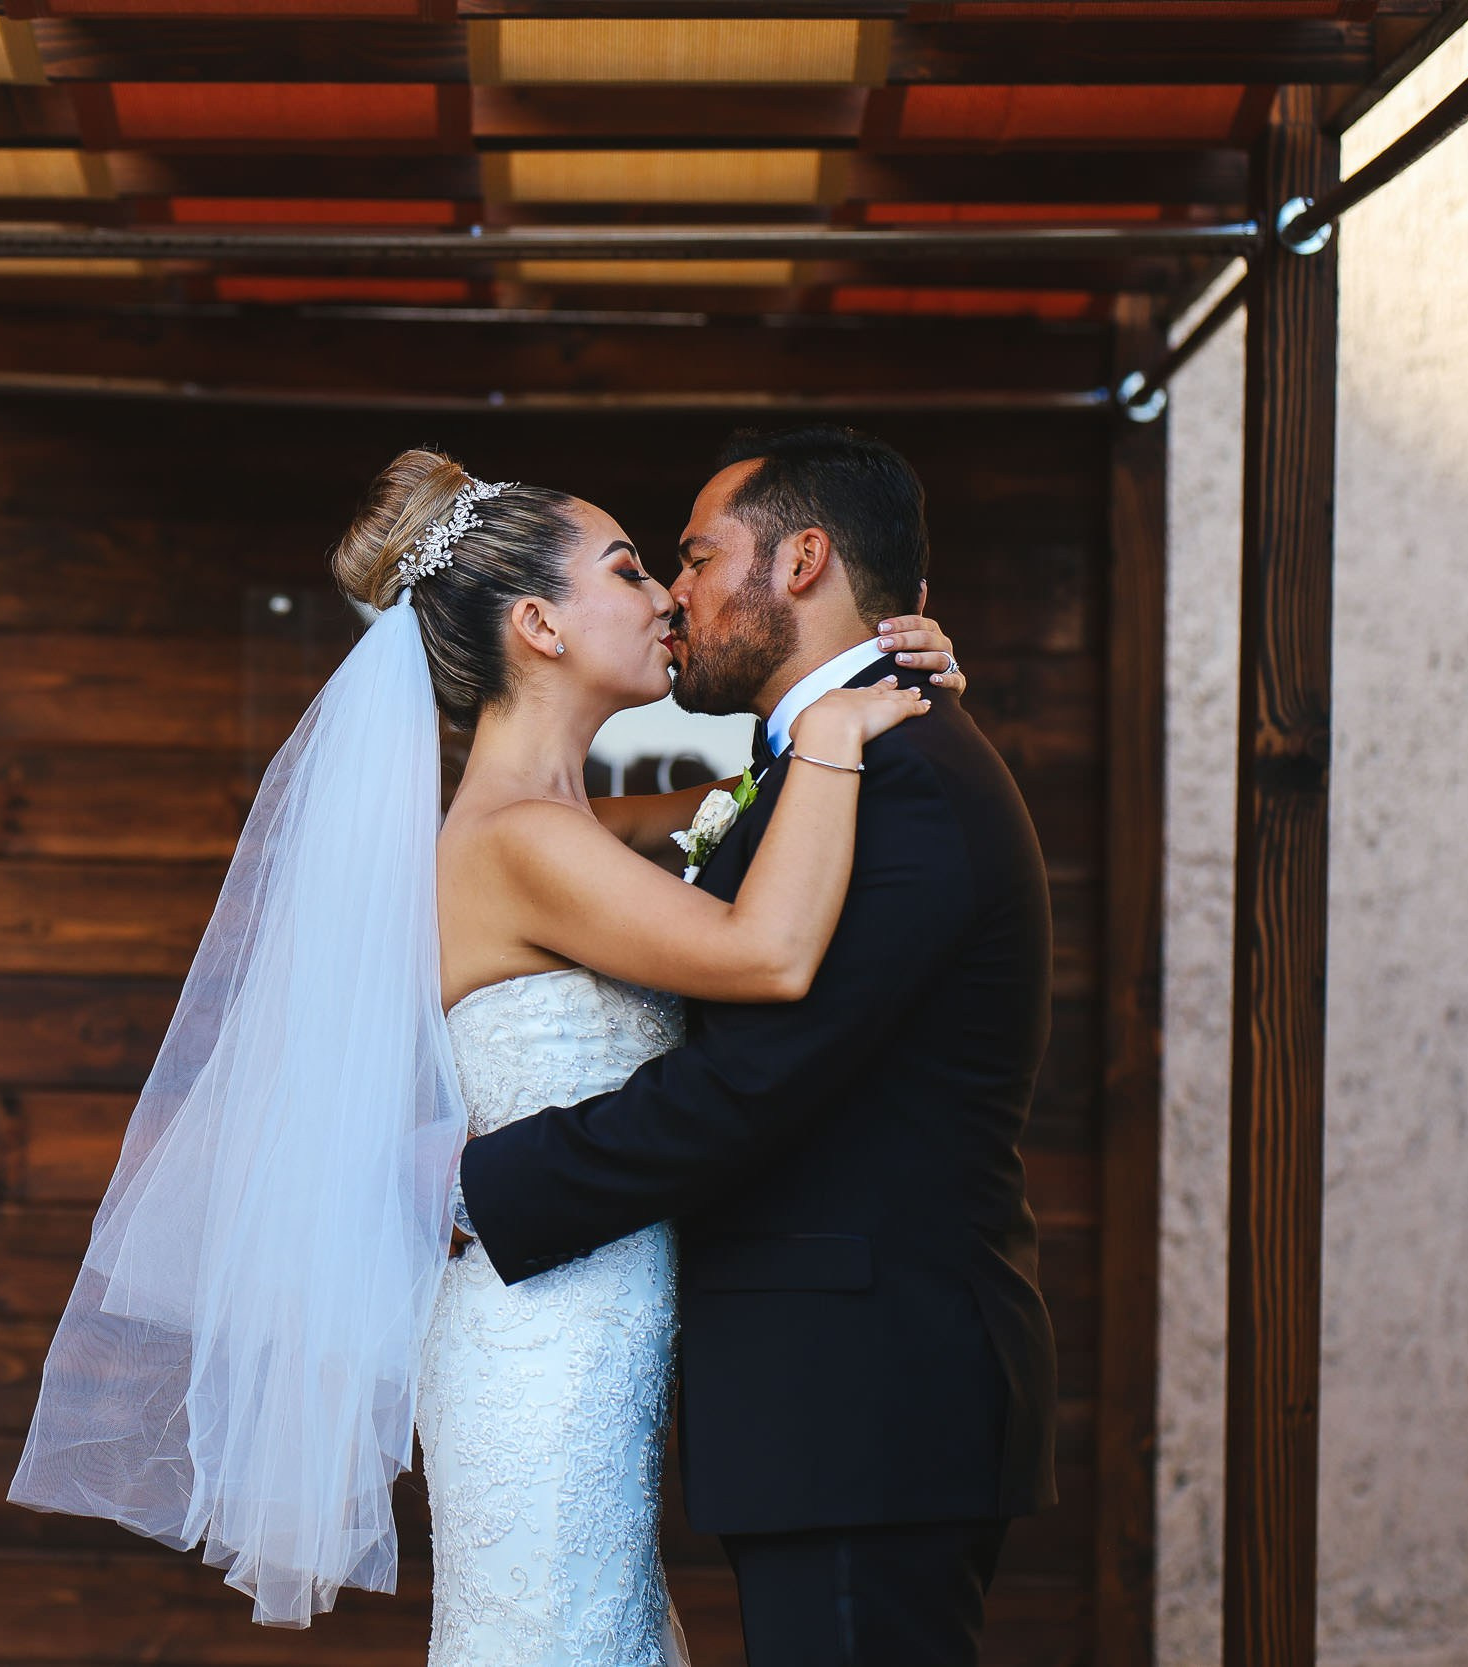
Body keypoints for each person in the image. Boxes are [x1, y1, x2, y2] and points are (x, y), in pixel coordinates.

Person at [4, 441, 967, 1660]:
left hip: (573, 1325)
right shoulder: (519, 838)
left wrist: (867, 680)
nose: (668, 596)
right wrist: (834, 730)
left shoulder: (565, 826)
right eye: (629, 568)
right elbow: (767, 952)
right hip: (541, 1344)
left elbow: (741, 816)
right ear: (539, 627)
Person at [455, 425, 1058, 1667]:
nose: (674, 593)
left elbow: (750, 1078)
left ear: (801, 562)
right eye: (641, 569)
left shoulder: (890, 776)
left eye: (687, 556)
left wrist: (475, 1189)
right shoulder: (822, 769)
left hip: (868, 1399)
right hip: (828, 1401)